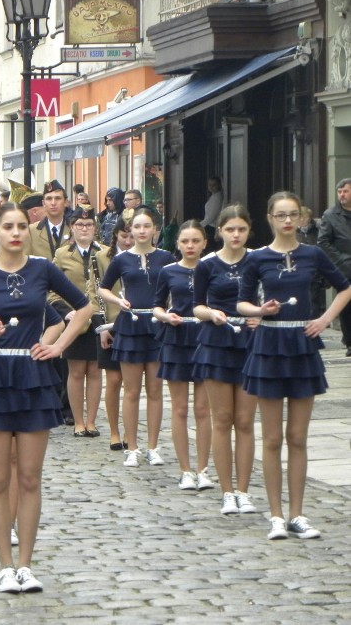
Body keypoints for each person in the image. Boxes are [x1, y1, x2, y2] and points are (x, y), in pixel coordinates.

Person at [0, 202, 95, 593]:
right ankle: (4, 564)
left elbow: (84, 307)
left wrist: (58, 346)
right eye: (8, 227)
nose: (16, 233)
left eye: (22, 226)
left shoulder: (42, 267)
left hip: (33, 378)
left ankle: (26, 564)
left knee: (30, 478)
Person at [237, 191, 351, 540]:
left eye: (293, 215)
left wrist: (324, 319)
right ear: (270, 218)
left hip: (302, 346)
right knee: (271, 438)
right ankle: (275, 515)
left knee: (297, 437)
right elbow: (241, 302)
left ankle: (298, 514)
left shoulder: (313, 254)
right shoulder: (257, 258)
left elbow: (345, 289)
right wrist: (260, 311)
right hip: (269, 345)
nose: (287, 221)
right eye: (280, 215)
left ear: (302, 218)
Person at [98, 207, 176, 468]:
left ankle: (153, 447)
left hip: (156, 326)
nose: (142, 230)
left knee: (155, 391)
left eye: (147, 226)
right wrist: (118, 301)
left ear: (155, 229)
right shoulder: (121, 260)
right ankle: (132, 447)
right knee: (130, 391)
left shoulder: (166, 258)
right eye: (137, 226)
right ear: (130, 230)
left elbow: (176, 285)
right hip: (130, 326)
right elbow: (103, 288)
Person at [193, 204, 258, 515]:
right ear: (219, 231)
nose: (235, 235)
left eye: (241, 229)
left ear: (249, 231)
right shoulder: (207, 265)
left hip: (249, 344)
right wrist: (213, 314)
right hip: (216, 343)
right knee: (222, 421)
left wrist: (261, 315)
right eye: (230, 229)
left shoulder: (258, 261)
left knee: (245, 422)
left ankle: (244, 490)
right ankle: (227, 491)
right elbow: (196, 307)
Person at [153, 220, 213, 492]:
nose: (190, 246)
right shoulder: (168, 271)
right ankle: (185, 469)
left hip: (204, 338)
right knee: (179, 408)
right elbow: (156, 306)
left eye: (195, 241)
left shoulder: (212, 269)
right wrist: (166, 316)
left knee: (203, 409)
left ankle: (203, 469)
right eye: (185, 241)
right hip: (176, 338)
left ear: (204, 244)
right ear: (177, 244)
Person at [52, 208, 106, 438]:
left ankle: (92, 421)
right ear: (72, 228)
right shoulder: (62, 254)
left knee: (95, 370)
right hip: (74, 318)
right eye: (80, 225)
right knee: (75, 372)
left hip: (98, 318)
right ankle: (78, 421)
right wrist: (65, 312)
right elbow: (51, 290)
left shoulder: (105, 252)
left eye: (89, 224)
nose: (84, 229)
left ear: (95, 228)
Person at [96, 218, 131, 450]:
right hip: (109, 323)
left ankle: (131, 431)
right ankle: (114, 431)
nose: (128, 241)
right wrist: (102, 327)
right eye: (124, 236)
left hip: (134, 325)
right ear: (116, 235)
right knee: (114, 380)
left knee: (133, 383)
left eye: (131, 235)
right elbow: (95, 292)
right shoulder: (102, 257)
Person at [317, 178, 351, 356]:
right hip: (344, 269)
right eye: (339, 192)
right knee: (347, 306)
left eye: (345, 191)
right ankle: (350, 341)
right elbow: (323, 242)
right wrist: (343, 261)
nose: (342, 195)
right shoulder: (330, 215)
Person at [29, 180, 71, 260]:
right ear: (43, 203)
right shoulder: (31, 231)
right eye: (49, 199)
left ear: (65, 202)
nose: (53, 203)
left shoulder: (75, 229)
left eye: (58, 198)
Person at [201, 177, 224, 250]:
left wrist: (200, 225)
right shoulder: (214, 196)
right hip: (209, 225)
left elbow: (212, 216)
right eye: (210, 185)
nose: (211, 187)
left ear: (219, 185)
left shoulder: (218, 197)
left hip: (213, 227)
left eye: (214, 185)